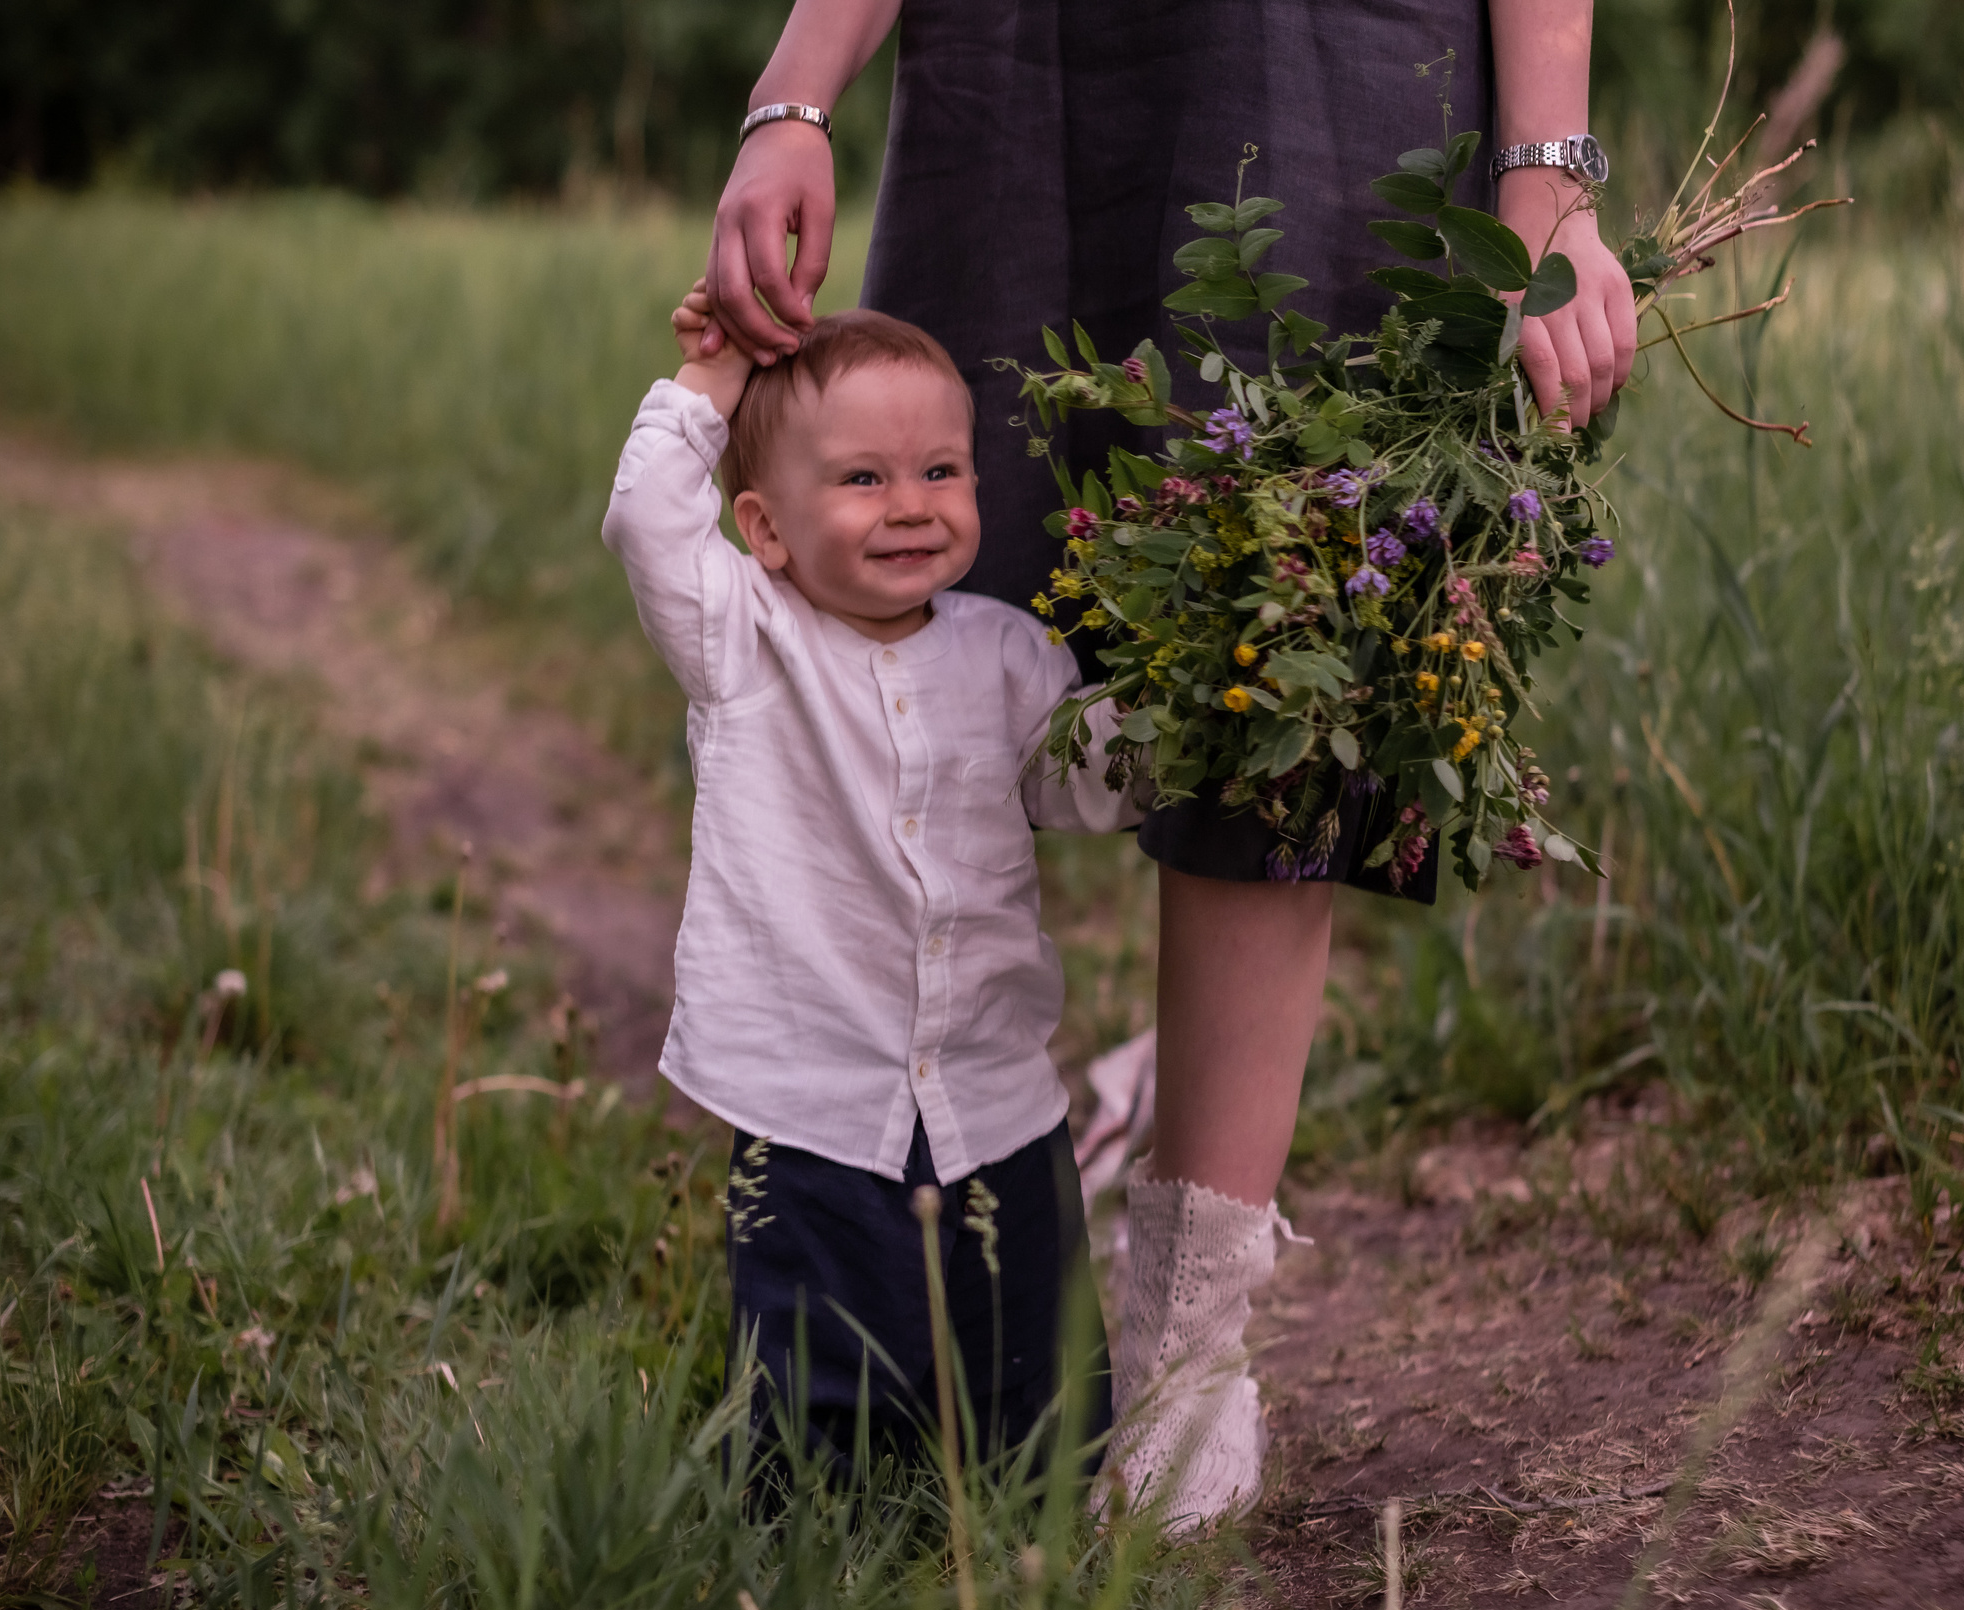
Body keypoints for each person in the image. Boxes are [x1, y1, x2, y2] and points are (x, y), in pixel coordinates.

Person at [700, 0, 1636, 1531]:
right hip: (1023, 50)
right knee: (900, 630)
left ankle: (1192, 1344)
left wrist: (1548, 171)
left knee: (1272, 626)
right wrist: (795, 89)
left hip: (1325, 51)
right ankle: (869, 1263)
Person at [601, 282, 1140, 1475]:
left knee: (1037, 1376)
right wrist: (714, 379)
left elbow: (1091, 781)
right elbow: (646, 521)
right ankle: (830, 1553)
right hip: (813, 1103)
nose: (910, 506)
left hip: (998, 1091)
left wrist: (1213, 703)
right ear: (766, 527)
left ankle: (1040, 1528)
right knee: (823, 1383)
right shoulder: (746, 641)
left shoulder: (1005, 648)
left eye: (940, 471)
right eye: (862, 480)